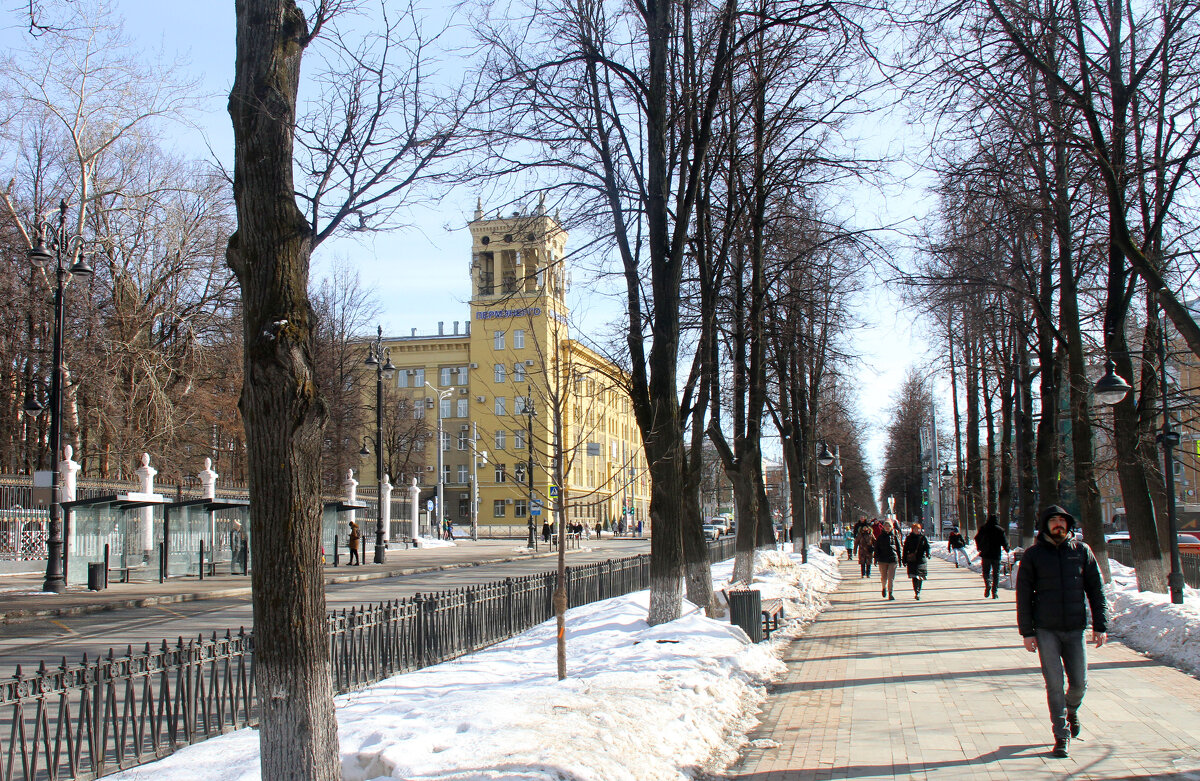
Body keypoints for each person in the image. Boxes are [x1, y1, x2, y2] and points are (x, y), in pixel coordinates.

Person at [1017, 505, 1107, 759]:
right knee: (1054, 684)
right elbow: (1023, 596)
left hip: (1075, 628)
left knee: (1079, 683)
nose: (1058, 525)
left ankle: (1071, 709)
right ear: (1045, 525)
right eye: (1053, 521)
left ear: (1068, 525)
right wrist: (1027, 632)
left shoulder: (1082, 552)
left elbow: (1096, 590)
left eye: (1062, 521)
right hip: (1046, 629)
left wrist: (1100, 625)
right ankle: (1061, 735)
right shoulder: (1033, 555)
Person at [974, 514, 1010, 598]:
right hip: (996, 555)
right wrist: (1007, 548)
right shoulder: (1000, 530)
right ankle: (995, 592)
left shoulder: (983, 528)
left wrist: (979, 547)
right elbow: (1004, 542)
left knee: (986, 572)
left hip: (986, 554)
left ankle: (987, 584)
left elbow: (976, 538)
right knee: (996, 574)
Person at [873, 519, 903, 600]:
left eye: (889, 526)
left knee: (891, 578)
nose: (887, 527)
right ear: (883, 527)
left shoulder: (894, 536)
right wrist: (875, 558)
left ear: (892, 527)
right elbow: (876, 548)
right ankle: (884, 588)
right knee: (884, 577)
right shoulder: (880, 537)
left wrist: (900, 559)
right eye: (886, 526)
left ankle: (890, 593)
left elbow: (899, 548)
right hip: (882, 560)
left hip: (893, 559)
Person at [903, 522, 931, 600]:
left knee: (920, 576)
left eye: (918, 529)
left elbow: (927, 547)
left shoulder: (923, 538)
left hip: (921, 559)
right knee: (914, 576)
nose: (917, 530)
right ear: (912, 530)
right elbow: (905, 549)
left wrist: (928, 553)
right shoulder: (909, 538)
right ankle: (916, 591)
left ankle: (918, 590)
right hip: (912, 560)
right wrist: (904, 559)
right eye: (915, 529)